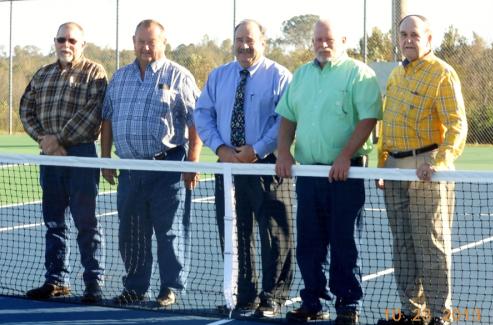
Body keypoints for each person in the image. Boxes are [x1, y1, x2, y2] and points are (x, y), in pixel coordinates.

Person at [275, 18, 382, 325]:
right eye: (318, 39)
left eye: (329, 39)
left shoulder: (359, 74)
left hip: (345, 176)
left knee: (344, 242)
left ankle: (348, 305)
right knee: (309, 243)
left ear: (344, 40)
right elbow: (287, 117)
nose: (322, 44)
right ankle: (312, 301)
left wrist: (345, 156)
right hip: (309, 175)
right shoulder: (302, 75)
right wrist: (284, 151)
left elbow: (369, 119)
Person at [194, 19, 293, 318]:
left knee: (274, 234)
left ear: (263, 42)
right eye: (239, 39)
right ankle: (245, 295)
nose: (244, 45)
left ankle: (272, 297)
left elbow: (285, 121)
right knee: (235, 232)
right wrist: (221, 149)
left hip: (265, 166)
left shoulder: (279, 76)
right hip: (227, 166)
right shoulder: (218, 76)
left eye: (250, 40)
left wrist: (257, 149)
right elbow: (202, 114)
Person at [100, 19, 202, 306]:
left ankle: (169, 287)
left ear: (163, 43)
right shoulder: (119, 78)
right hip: (131, 169)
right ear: (133, 42)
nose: (146, 47)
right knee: (130, 232)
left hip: (168, 166)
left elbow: (196, 123)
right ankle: (135, 287)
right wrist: (105, 159)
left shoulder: (179, 76)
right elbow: (107, 119)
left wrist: (193, 162)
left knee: (169, 232)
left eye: (152, 42)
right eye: (141, 41)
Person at [376, 15, 467, 325]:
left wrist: (438, 162)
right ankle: (412, 313)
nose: (408, 39)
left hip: (426, 168)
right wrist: (381, 165)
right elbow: (386, 124)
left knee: (431, 242)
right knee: (401, 242)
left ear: (429, 39)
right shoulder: (395, 76)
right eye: (403, 34)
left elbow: (457, 124)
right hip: (394, 168)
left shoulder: (443, 73)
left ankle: (441, 315)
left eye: (415, 34)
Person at [19, 22, 107, 303]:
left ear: (82, 44)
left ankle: (93, 283)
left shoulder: (95, 73)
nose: (65, 44)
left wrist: (59, 140)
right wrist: (45, 141)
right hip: (49, 158)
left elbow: (94, 113)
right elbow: (25, 109)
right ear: (54, 41)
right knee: (54, 222)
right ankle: (56, 281)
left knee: (86, 222)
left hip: (81, 154)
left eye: (71, 40)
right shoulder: (42, 74)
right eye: (61, 39)